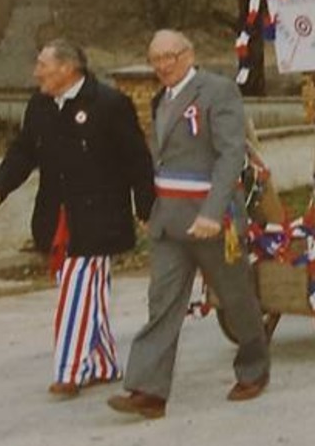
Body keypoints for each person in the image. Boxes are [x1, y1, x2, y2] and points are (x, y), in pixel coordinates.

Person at [107, 31, 271, 420]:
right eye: (155, 59)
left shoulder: (217, 91)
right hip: (170, 221)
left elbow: (232, 154)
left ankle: (254, 367)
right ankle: (149, 390)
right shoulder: (161, 99)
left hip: (212, 219)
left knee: (235, 297)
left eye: (170, 56)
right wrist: (150, 211)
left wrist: (213, 212)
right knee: (162, 304)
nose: (163, 65)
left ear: (189, 54)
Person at [0, 39, 155, 399]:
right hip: (56, 216)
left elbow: (137, 161)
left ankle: (70, 370)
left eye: (43, 65)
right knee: (84, 289)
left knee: (77, 291)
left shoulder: (109, 104)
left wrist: (146, 208)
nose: (37, 73)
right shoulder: (40, 106)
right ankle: (104, 362)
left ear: (67, 69)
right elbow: (23, 152)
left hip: (99, 217)